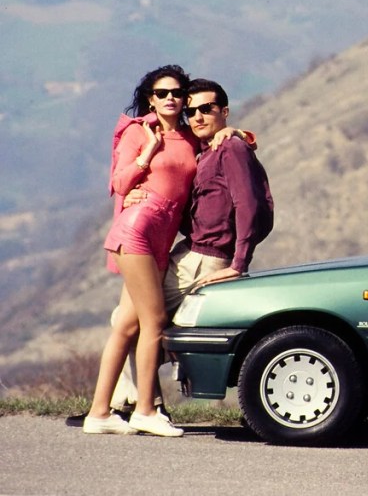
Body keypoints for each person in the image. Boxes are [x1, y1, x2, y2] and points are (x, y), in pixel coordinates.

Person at [84, 66, 245, 436]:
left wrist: (238, 133)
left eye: (177, 92)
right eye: (161, 93)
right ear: (150, 98)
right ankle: (144, 410)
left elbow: (220, 141)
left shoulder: (190, 136)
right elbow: (119, 182)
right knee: (153, 322)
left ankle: (98, 414)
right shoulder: (139, 131)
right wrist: (148, 153)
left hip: (161, 239)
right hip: (137, 230)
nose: (170, 98)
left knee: (126, 324)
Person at [109, 78, 273, 417]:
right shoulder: (209, 148)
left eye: (207, 109)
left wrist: (239, 263)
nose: (197, 116)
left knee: (137, 324)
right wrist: (137, 194)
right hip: (189, 250)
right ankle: (131, 401)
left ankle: (137, 406)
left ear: (223, 111)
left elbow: (249, 206)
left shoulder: (230, 148)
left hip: (207, 258)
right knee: (126, 321)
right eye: (192, 109)